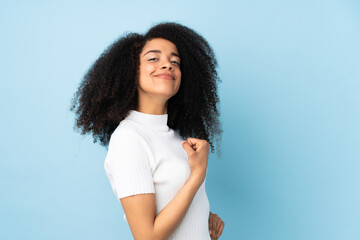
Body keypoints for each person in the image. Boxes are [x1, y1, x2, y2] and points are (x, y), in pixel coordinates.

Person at [70, 22, 225, 240]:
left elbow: (176, 212)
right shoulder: (129, 139)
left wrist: (201, 225)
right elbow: (147, 237)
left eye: (175, 62)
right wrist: (197, 175)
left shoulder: (177, 138)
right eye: (154, 58)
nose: (167, 65)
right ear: (130, 72)